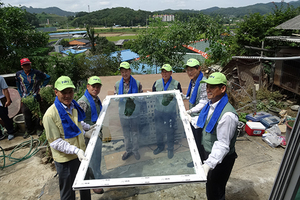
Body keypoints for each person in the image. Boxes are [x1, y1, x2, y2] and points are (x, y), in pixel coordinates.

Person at [191, 72, 238, 200]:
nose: (208, 89)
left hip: (220, 159)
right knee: (210, 187)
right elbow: (204, 122)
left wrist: (208, 164)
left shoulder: (228, 115)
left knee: (216, 192)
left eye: (212, 87)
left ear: (222, 89)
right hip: (210, 153)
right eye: (207, 86)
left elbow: (223, 145)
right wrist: (189, 118)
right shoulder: (210, 105)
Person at [43, 76, 91, 200]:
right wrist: (76, 150)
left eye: (70, 92)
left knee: (85, 185)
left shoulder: (73, 106)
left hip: (80, 155)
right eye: (64, 92)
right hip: (66, 160)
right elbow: (55, 142)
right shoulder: (50, 115)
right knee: (68, 193)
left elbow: (77, 124)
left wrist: (90, 128)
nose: (68, 95)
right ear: (56, 92)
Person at [77, 76, 104, 194]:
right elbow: (77, 121)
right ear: (88, 86)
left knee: (97, 156)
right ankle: (94, 182)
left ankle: (98, 174)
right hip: (88, 136)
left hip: (96, 133)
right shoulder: (83, 102)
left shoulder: (97, 100)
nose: (96, 89)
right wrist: (86, 131)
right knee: (91, 159)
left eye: (98, 87)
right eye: (93, 86)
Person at [152, 64, 182, 159]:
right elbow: (153, 96)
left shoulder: (176, 84)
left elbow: (180, 98)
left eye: (166, 72)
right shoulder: (156, 83)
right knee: (158, 130)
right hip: (159, 111)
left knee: (170, 131)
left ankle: (170, 149)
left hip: (170, 112)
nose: (164, 74)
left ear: (171, 72)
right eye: (163, 72)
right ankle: (160, 146)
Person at [114, 62, 143, 160]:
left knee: (135, 132)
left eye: (126, 71)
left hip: (135, 113)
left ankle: (135, 150)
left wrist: (134, 98)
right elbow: (115, 97)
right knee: (126, 133)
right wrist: (117, 98)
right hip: (123, 113)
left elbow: (141, 98)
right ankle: (128, 150)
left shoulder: (137, 83)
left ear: (130, 71)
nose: (124, 73)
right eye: (122, 72)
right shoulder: (117, 85)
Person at [16, 58, 51, 139]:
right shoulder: (19, 74)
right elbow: (18, 84)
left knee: (37, 114)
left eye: (28, 64)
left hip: (35, 97)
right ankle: (29, 130)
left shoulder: (36, 73)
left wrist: (41, 87)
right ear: (22, 66)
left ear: (30, 64)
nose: (27, 66)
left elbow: (47, 77)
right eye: (25, 65)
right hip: (25, 98)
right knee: (26, 114)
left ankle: (39, 129)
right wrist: (20, 94)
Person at [184, 58, 208, 167]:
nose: (189, 72)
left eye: (192, 69)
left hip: (200, 117)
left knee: (199, 141)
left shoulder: (203, 82)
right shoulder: (193, 82)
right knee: (194, 140)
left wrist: (190, 111)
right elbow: (191, 96)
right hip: (193, 117)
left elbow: (203, 102)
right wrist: (181, 97)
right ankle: (197, 160)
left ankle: (201, 163)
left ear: (199, 69)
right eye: (188, 70)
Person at [0, 76, 15, 140]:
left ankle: (10, 132)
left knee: (5, 117)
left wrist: (8, 100)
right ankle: (0, 135)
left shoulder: (0, 78)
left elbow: (5, 89)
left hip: (0, 100)